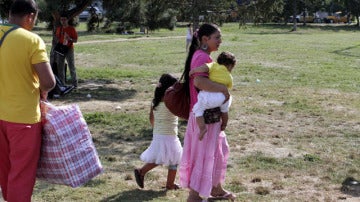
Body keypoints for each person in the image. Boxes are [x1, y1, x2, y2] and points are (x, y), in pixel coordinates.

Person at [0, 1, 56, 201]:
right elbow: (49, 82)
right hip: (23, 119)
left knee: (5, 171)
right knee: (21, 174)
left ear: (9, 14)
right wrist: (42, 90)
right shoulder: (31, 40)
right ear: (30, 17)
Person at [179, 23, 236, 201]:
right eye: (216, 37)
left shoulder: (205, 57)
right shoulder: (200, 57)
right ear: (205, 39)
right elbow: (199, 83)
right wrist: (224, 90)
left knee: (217, 152)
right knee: (203, 156)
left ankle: (216, 189)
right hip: (203, 119)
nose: (220, 41)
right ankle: (195, 196)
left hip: (211, 117)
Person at [134, 74, 183, 190]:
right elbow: (180, 113)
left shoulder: (154, 102)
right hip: (169, 135)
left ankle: (169, 184)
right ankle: (142, 171)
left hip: (158, 133)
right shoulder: (171, 101)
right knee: (172, 159)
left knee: (165, 157)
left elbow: (151, 118)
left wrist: (156, 129)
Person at [189, 51, 236, 140]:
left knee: (198, 110)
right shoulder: (230, 77)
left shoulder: (213, 65)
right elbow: (229, 86)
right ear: (230, 66)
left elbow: (204, 68)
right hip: (223, 97)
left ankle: (202, 128)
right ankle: (224, 124)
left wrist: (194, 70)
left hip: (208, 97)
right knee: (224, 111)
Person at [55, 13, 78, 88]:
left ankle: (74, 84)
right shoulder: (59, 29)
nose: (63, 21)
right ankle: (62, 84)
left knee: (71, 66)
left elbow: (75, 40)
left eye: (64, 19)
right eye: (61, 19)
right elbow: (57, 38)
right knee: (60, 66)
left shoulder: (72, 29)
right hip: (61, 49)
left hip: (69, 49)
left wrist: (69, 39)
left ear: (68, 20)